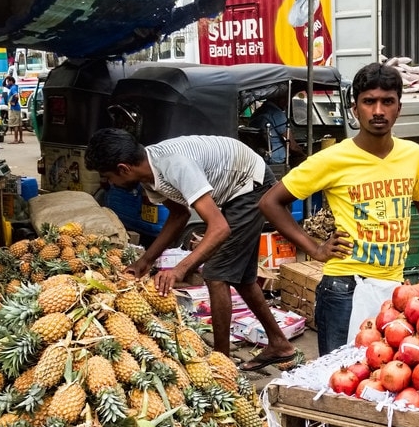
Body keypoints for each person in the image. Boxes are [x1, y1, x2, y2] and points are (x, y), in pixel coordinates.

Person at [258, 62, 419, 356]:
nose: (378, 111)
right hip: (345, 288)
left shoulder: (412, 155)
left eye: (387, 102)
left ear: (399, 108)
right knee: (340, 374)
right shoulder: (333, 158)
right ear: (355, 109)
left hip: (395, 289)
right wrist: (315, 248)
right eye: (369, 102)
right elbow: (270, 202)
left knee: (384, 373)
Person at [83, 128, 302, 370]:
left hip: (251, 185)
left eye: (108, 177)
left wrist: (180, 269)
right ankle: (279, 344)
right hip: (234, 189)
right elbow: (179, 215)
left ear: (123, 168)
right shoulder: (150, 174)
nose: (109, 183)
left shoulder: (175, 166)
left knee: (216, 275)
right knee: (240, 277)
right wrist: (145, 261)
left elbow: (219, 228)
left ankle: (221, 365)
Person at [248, 84, 301, 165]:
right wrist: (304, 154)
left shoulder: (259, 112)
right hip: (275, 159)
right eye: (287, 98)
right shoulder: (276, 114)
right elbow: (292, 146)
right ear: (280, 98)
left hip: (260, 156)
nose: (288, 102)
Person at [4, 76, 24, 144]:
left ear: (11, 81)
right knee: (19, 124)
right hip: (17, 108)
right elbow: (4, 85)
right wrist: (6, 78)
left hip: (14, 109)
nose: (7, 83)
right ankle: (20, 139)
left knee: (15, 124)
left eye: (8, 81)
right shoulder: (14, 87)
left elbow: (16, 96)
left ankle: (15, 140)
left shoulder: (13, 88)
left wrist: (13, 102)